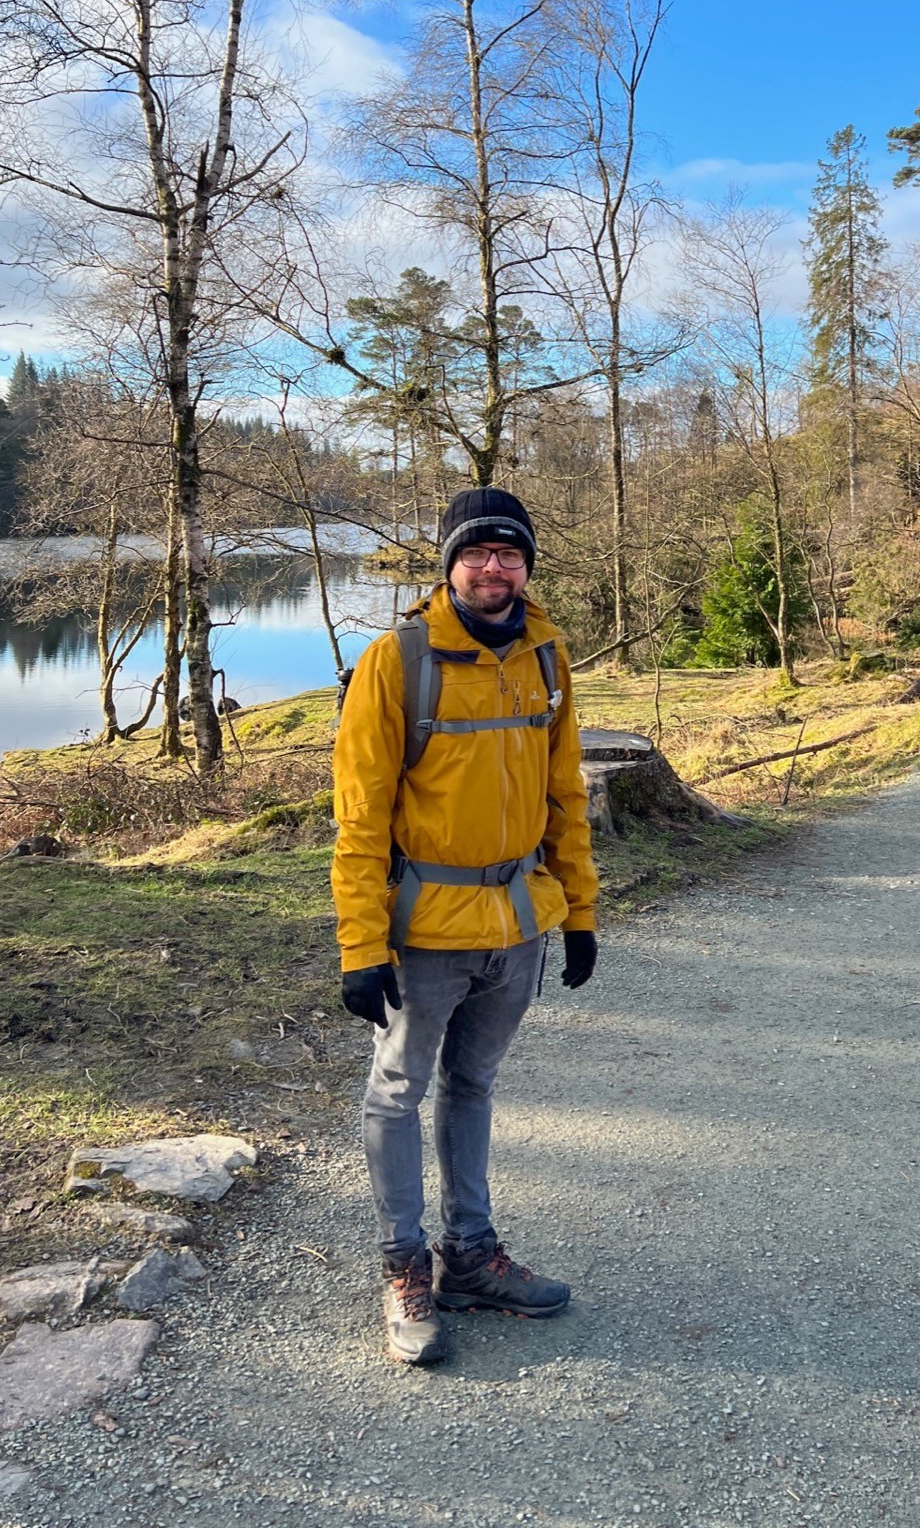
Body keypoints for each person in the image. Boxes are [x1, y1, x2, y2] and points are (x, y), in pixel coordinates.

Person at [331, 486, 600, 1366]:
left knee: (473, 1086)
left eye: (509, 554)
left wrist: (580, 912)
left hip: (517, 921)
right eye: (476, 554)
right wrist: (362, 946)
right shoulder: (395, 661)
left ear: (526, 566)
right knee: (397, 1091)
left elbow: (566, 797)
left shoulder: (547, 658)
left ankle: (470, 1256)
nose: (493, 568)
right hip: (424, 927)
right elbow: (360, 815)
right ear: (448, 565)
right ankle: (403, 1268)